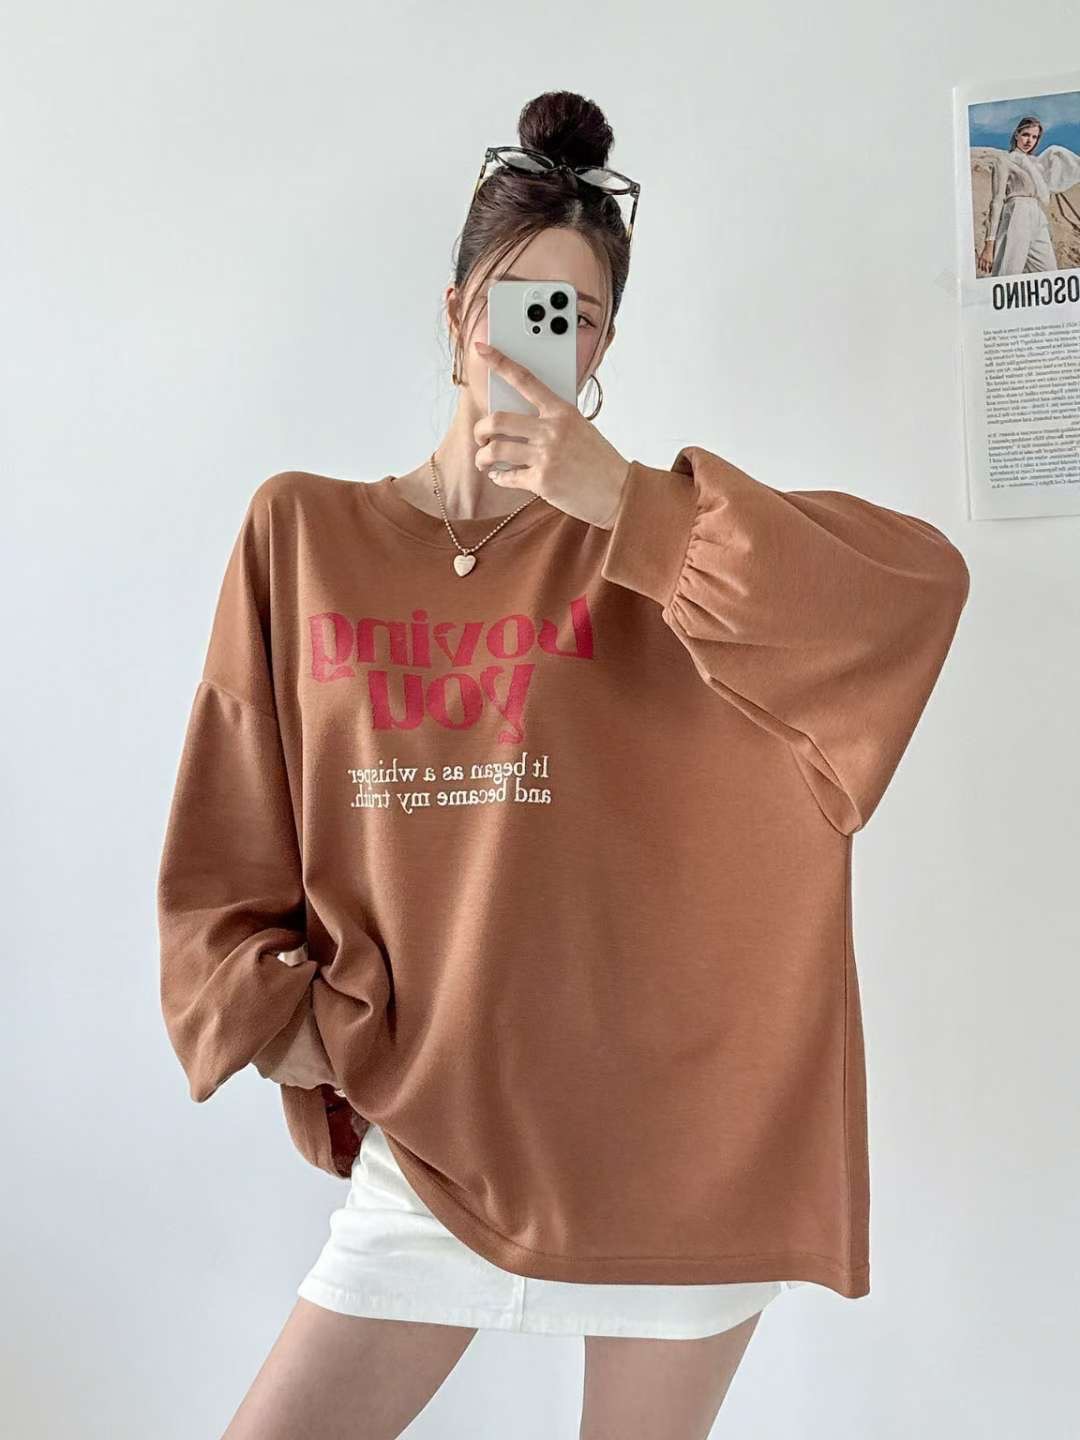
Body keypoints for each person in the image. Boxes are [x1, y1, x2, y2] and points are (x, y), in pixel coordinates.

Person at [157, 90, 971, 1440]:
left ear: (602, 349)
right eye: (516, 303)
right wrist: (296, 1031)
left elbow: (912, 592)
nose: (544, 337)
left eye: (577, 314)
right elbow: (221, 848)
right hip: (437, 1141)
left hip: (672, 1156)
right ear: (455, 314)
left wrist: (632, 506)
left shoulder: (663, 546)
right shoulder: (301, 533)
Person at [976, 114, 1080, 277]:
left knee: (1050, 274)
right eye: (1025, 135)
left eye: (1034, 137)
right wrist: (989, 245)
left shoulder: (1037, 164)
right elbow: (997, 201)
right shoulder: (1005, 160)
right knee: (1009, 272)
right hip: (1016, 213)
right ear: (1016, 134)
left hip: (1038, 215)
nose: (1029, 141)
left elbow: (1047, 191)